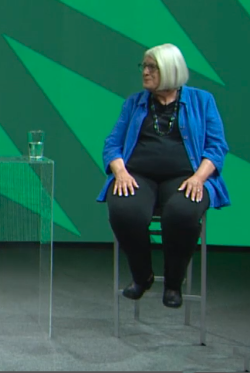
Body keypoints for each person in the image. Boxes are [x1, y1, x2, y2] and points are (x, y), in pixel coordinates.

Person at [98, 43, 229, 308]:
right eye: (143, 66)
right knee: (124, 210)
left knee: (183, 213)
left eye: (151, 67)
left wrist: (199, 178)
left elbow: (216, 147)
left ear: (170, 70)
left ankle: (172, 283)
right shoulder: (134, 103)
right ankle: (142, 275)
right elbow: (112, 144)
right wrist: (120, 172)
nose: (145, 72)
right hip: (137, 176)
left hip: (186, 177)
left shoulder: (202, 101)